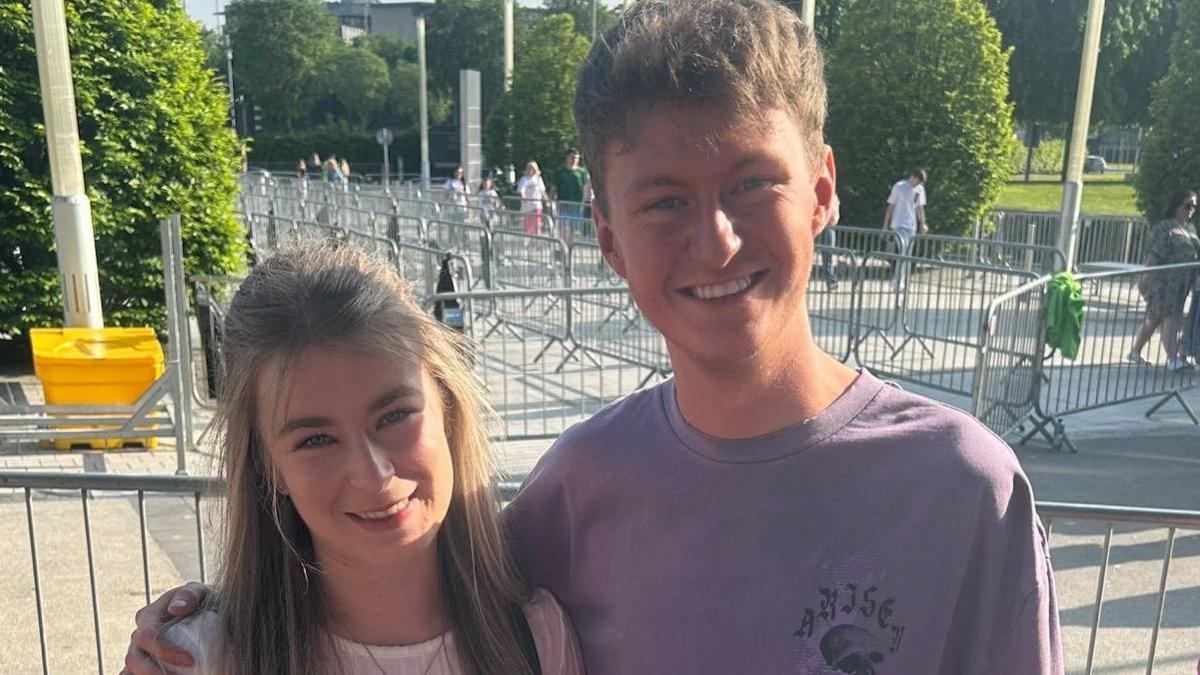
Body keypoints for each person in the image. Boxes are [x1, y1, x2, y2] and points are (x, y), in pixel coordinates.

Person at [129, 2, 1062, 673]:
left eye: (751, 182)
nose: (717, 238)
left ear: (822, 189)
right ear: (608, 236)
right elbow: (400, 586)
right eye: (665, 200)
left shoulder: (961, 489)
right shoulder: (574, 494)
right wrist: (211, 625)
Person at [122, 245, 583, 674]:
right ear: (268, 465)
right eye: (317, 440)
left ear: (448, 408)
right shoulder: (196, 656)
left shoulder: (538, 638)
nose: (373, 475)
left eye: (395, 416)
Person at [1129, 190, 1200, 371]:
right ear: (1176, 206)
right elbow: (1153, 257)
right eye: (1187, 206)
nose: (1191, 210)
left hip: (1182, 284)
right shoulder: (1165, 228)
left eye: (1194, 206)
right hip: (1163, 282)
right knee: (1170, 316)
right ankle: (1172, 357)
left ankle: (1135, 351)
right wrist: (1145, 280)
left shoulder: (1190, 229)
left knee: (1154, 319)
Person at [883, 168, 929, 293]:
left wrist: (923, 224)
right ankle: (897, 283)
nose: (917, 184)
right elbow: (891, 207)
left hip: (911, 226)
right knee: (902, 253)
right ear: (912, 177)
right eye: (917, 181)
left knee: (907, 255)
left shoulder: (919, 190)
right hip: (899, 224)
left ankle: (901, 282)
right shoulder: (899, 186)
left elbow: (920, 208)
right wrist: (885, 225)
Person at [550, 149, 591, 241]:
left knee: (574, 231)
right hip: (563, 205)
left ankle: (569, 249)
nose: (574, 160)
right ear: (567, 158)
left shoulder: (582, 173)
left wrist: (583, 204)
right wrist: (551, 202)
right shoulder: (560, 172)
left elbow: (585, 189)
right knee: (564, 228)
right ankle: (563, 248)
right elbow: (554, 188)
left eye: (576, 158)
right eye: (572, 157)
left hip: (576, 205)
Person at [516, 161, 547, 236]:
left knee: (537, 223)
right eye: (529, 168)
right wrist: (523, 197)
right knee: (528, 225)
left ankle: (538, 238)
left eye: (532, 169)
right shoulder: (524, 179)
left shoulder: (538, 179)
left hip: (537, 204)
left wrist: (546, 200)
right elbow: (521, 190)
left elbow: (542, 191)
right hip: (527, 206)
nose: (530, 170)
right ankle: (528, 240)